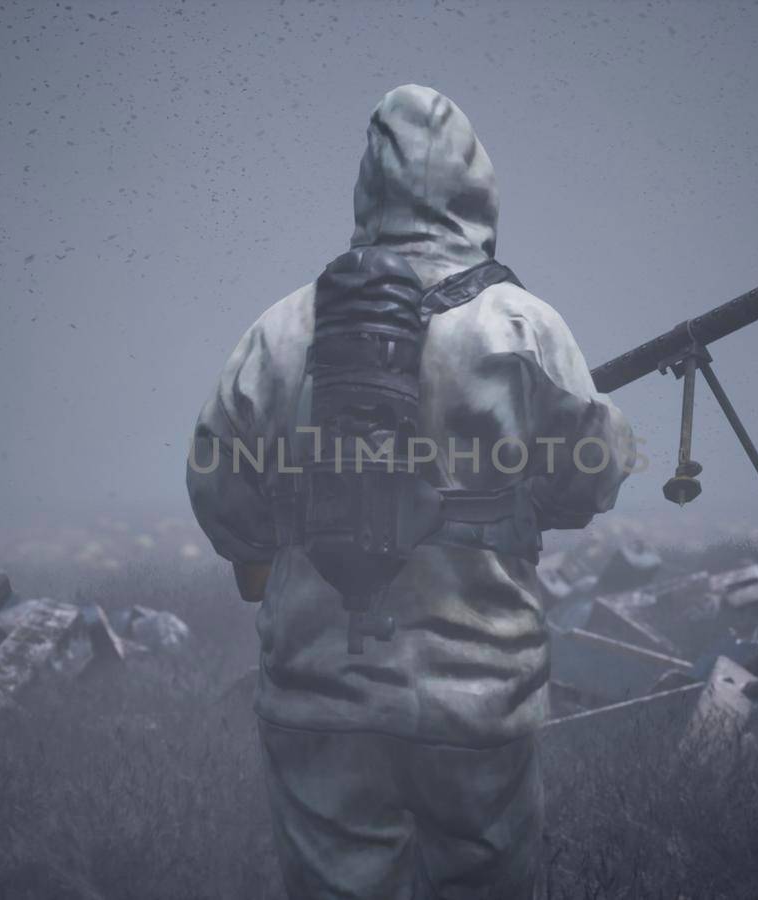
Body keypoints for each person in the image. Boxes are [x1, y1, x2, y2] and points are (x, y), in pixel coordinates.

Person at [186, 84, 634, 900]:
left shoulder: (282, 327)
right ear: (476, 188)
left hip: (315, 688)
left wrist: (271, 546)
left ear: (368, 190)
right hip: (481, 693)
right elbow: (591, 477)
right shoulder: (523, 323)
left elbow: (217, 487)